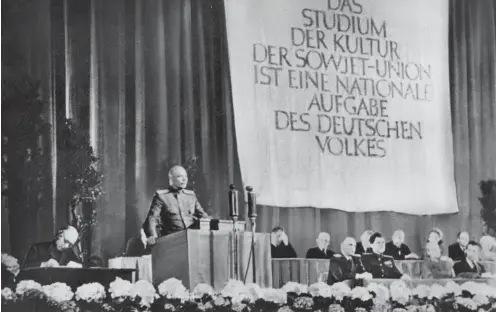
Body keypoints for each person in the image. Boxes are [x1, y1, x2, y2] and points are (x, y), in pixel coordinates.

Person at [143, 165, 208, 244]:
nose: (184, 179)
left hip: (191, 239)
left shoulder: (191, 196)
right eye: (179, 176)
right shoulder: (161, 196)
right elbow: (152, 218)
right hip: (171, 241)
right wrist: (152, 236)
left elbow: (204, 217)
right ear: (171, 179)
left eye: (186, 176)